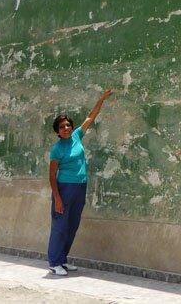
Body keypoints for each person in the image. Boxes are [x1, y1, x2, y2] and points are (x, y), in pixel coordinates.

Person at [47, 88, 113, 276]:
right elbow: (52, 176)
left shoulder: (77, 136)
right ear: (57, 131)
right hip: (64, 188)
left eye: (68, 125)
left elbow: (91, 116)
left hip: (80, 187)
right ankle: (54, 262)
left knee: (72, 225)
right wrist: (58, 198)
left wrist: (101, 99)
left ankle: (63, 260)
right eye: (62, 127)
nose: (66, 128)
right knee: (60, 225)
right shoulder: (56, 149)